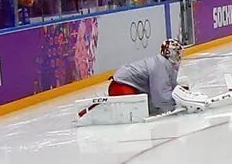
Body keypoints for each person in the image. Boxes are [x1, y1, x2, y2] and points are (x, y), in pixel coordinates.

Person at [77, 38, 211, 123]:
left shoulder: (165, 63)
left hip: (124, 84)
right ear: (169, 54)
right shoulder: (161, 65)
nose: (179, 56)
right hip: (121, 86)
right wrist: (180, 102)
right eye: (177, 53)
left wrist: (182, 93)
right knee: (136, 107)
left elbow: (167, 87)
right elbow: (160, 98)